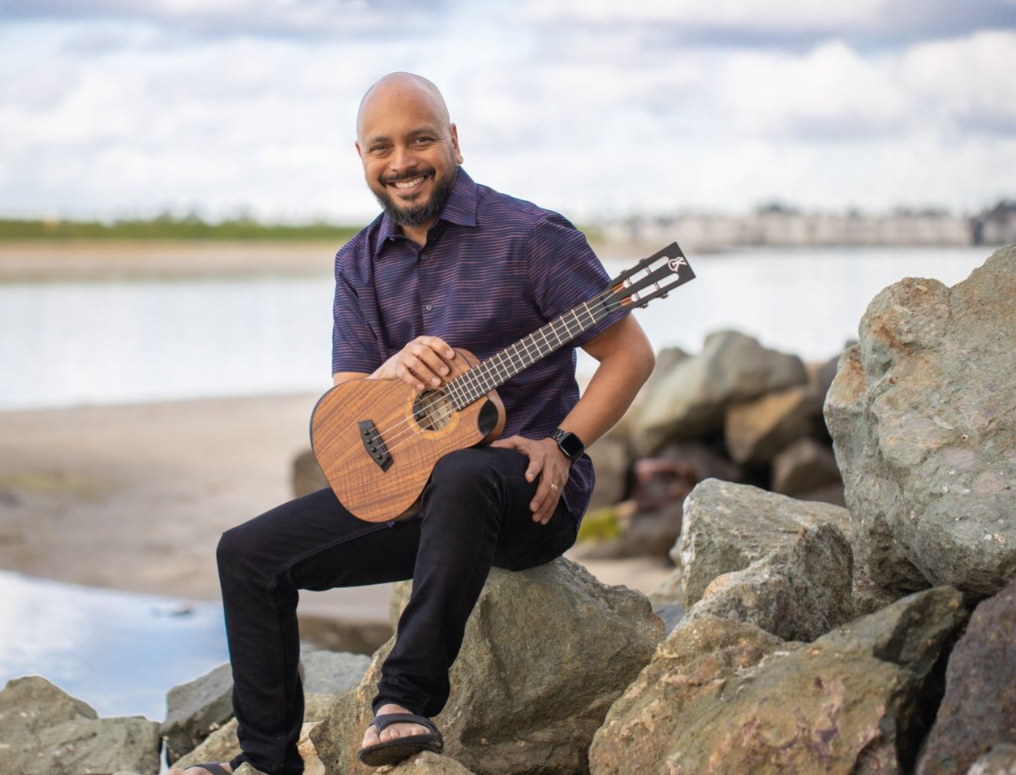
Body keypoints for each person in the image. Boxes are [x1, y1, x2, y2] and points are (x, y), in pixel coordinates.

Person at [174, 72, 656, 775]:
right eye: (382, 147)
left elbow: (628, 352)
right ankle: (266, 760)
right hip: (409, 494)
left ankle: (403, 699)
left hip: (526, 491)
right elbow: (348, 402)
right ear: (362, 158)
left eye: (420, 139)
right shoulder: (357, 265)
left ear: (453, 141)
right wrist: (392, 369)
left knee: (465, 472)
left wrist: (564, 442)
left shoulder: (531, 236)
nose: (402, 160)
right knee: (246, 554)